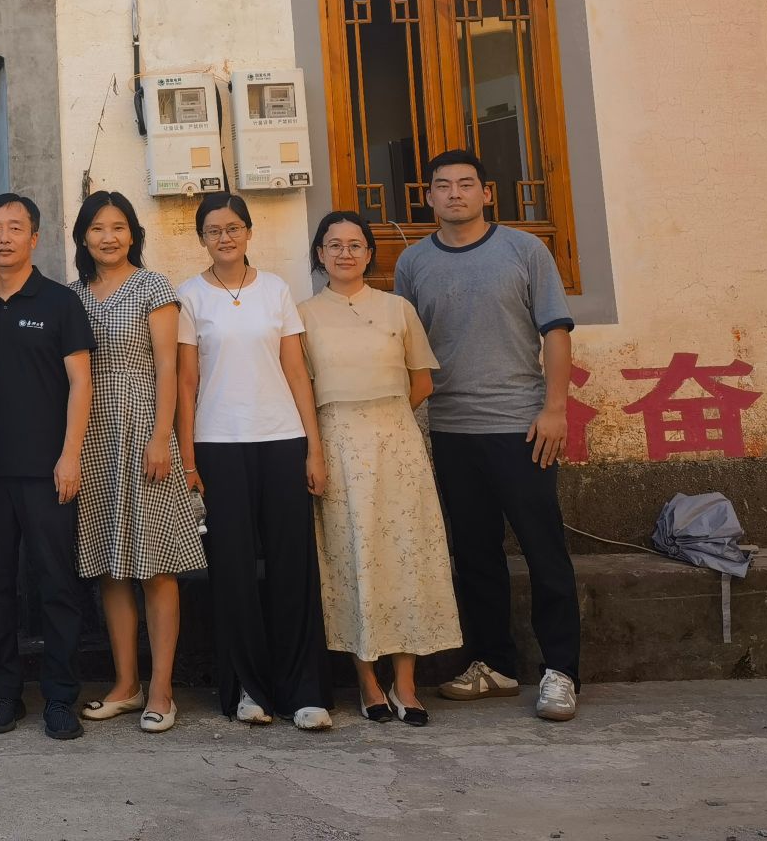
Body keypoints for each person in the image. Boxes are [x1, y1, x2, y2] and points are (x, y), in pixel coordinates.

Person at [393, 148, 581, 722]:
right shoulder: (413, 262)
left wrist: (555, 409)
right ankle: (494, 664)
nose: (455, 193)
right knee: (474, 555)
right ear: (428, 196)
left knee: (544, 551)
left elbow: (556, 333)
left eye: (466, 184)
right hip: (451, 428)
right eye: (443, 185)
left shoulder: (525, 250)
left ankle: (561, 671)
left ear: (486, 193)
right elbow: (406, 350)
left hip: (521, 426)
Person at [176, 192, 331, 732]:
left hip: (282, 437)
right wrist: (188, 457)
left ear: (248, 231)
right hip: (218, 444)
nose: (225, 238)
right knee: (233, 569)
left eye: (233, 228)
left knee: (293, 565)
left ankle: (303, 690)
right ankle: (247, 688)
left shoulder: (276, 290)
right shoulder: (190, 296)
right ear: (202, 238)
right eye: (214, 230)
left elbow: (296, 372)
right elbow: (187, 383)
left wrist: (313, 447)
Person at [298, 210, 461, 725]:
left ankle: (406, 684)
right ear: (320, 254)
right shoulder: (302, 316)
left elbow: (422, 382)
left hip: (397, 445)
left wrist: (384, 422)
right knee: (352, 558)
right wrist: (321, 446)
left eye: (355, 244)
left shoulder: (397, 308)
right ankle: (367, 680)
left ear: (369, 253)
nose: (345, 253)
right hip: (336, 445)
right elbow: (300, 388)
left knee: (405, 556)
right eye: (334, 244)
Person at [71, 190, 203, 735]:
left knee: (156, 563)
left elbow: (168, 367)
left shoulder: (153, 287)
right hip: (93, 434)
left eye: (119, 227)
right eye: (97, 228)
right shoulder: (73, 295)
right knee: (110, 563)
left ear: (133, 234)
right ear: (83, 237)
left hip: (144, 425)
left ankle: (162, 690)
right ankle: (126, 685)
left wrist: (161, 437)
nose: (109, 237)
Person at [0, 193, 95, 740]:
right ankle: (3, 693)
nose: (4, 237)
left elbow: (81, 383)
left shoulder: (61, 302)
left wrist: (70, 455)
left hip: (48, 471)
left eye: (15, 228)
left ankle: (61, 697)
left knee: (56, 585)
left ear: (35, 238)